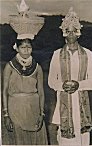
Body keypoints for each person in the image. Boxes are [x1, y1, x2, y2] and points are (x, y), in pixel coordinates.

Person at [48, 7, 92, 146]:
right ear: (64, 33)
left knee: (83, 138)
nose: (71, 34)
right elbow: (51, 81)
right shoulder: (56, 54)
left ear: (78, 33)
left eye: (74, 31)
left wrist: (79, 85)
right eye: (67, 31)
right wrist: (63, 86)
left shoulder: (88, 54)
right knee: (66, 141)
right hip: (64, 103)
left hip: (81, 103)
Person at [2, 0, 48, 145]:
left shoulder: (37, 67)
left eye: (29, 47)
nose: (26, 50)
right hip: (15, 109)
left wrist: (41, 113)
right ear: (17, 48)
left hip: (33, 109)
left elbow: (41, 92)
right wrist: (6, 114)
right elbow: (4, 91)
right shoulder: (10, 66)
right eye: (23, 47)